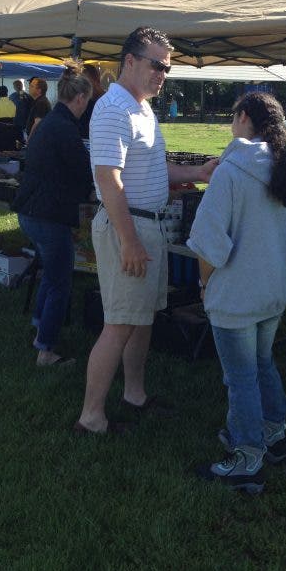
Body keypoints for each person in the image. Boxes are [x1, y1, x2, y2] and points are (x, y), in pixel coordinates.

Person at [187, 91, 286, 494]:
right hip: (276, 288)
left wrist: (204, 284)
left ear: (245, 118)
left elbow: (207, 241)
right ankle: (273, 433)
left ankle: (246, 457)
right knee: (261, 363)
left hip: (237, 292)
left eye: (234, 116)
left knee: (241, 377)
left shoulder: (231, 171)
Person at [76, 27, 218, 435]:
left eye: (167, 68)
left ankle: (134, 395)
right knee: (119, 323)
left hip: (146, 225)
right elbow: (108, 180)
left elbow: (154, 170)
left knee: (141, 320)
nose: (162, 74)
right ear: (131, 61)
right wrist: (130, 240)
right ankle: (90, 418)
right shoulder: (113, 109)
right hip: (130, 227)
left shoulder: (142, 108)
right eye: (157, 65)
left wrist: (197, 172)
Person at [12, 63, 93, 366]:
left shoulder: (49, 121)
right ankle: (46, 349)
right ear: (81, 99)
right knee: (61, 281)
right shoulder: (65, 128)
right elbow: (82, 171)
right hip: (47, 214)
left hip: (32, 210)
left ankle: (39, 324)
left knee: (50, 271)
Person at [78, 63, 105, 140]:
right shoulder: (84, 103)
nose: (84, 88)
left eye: (86, 83)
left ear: (97, 80)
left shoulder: (106, 103)